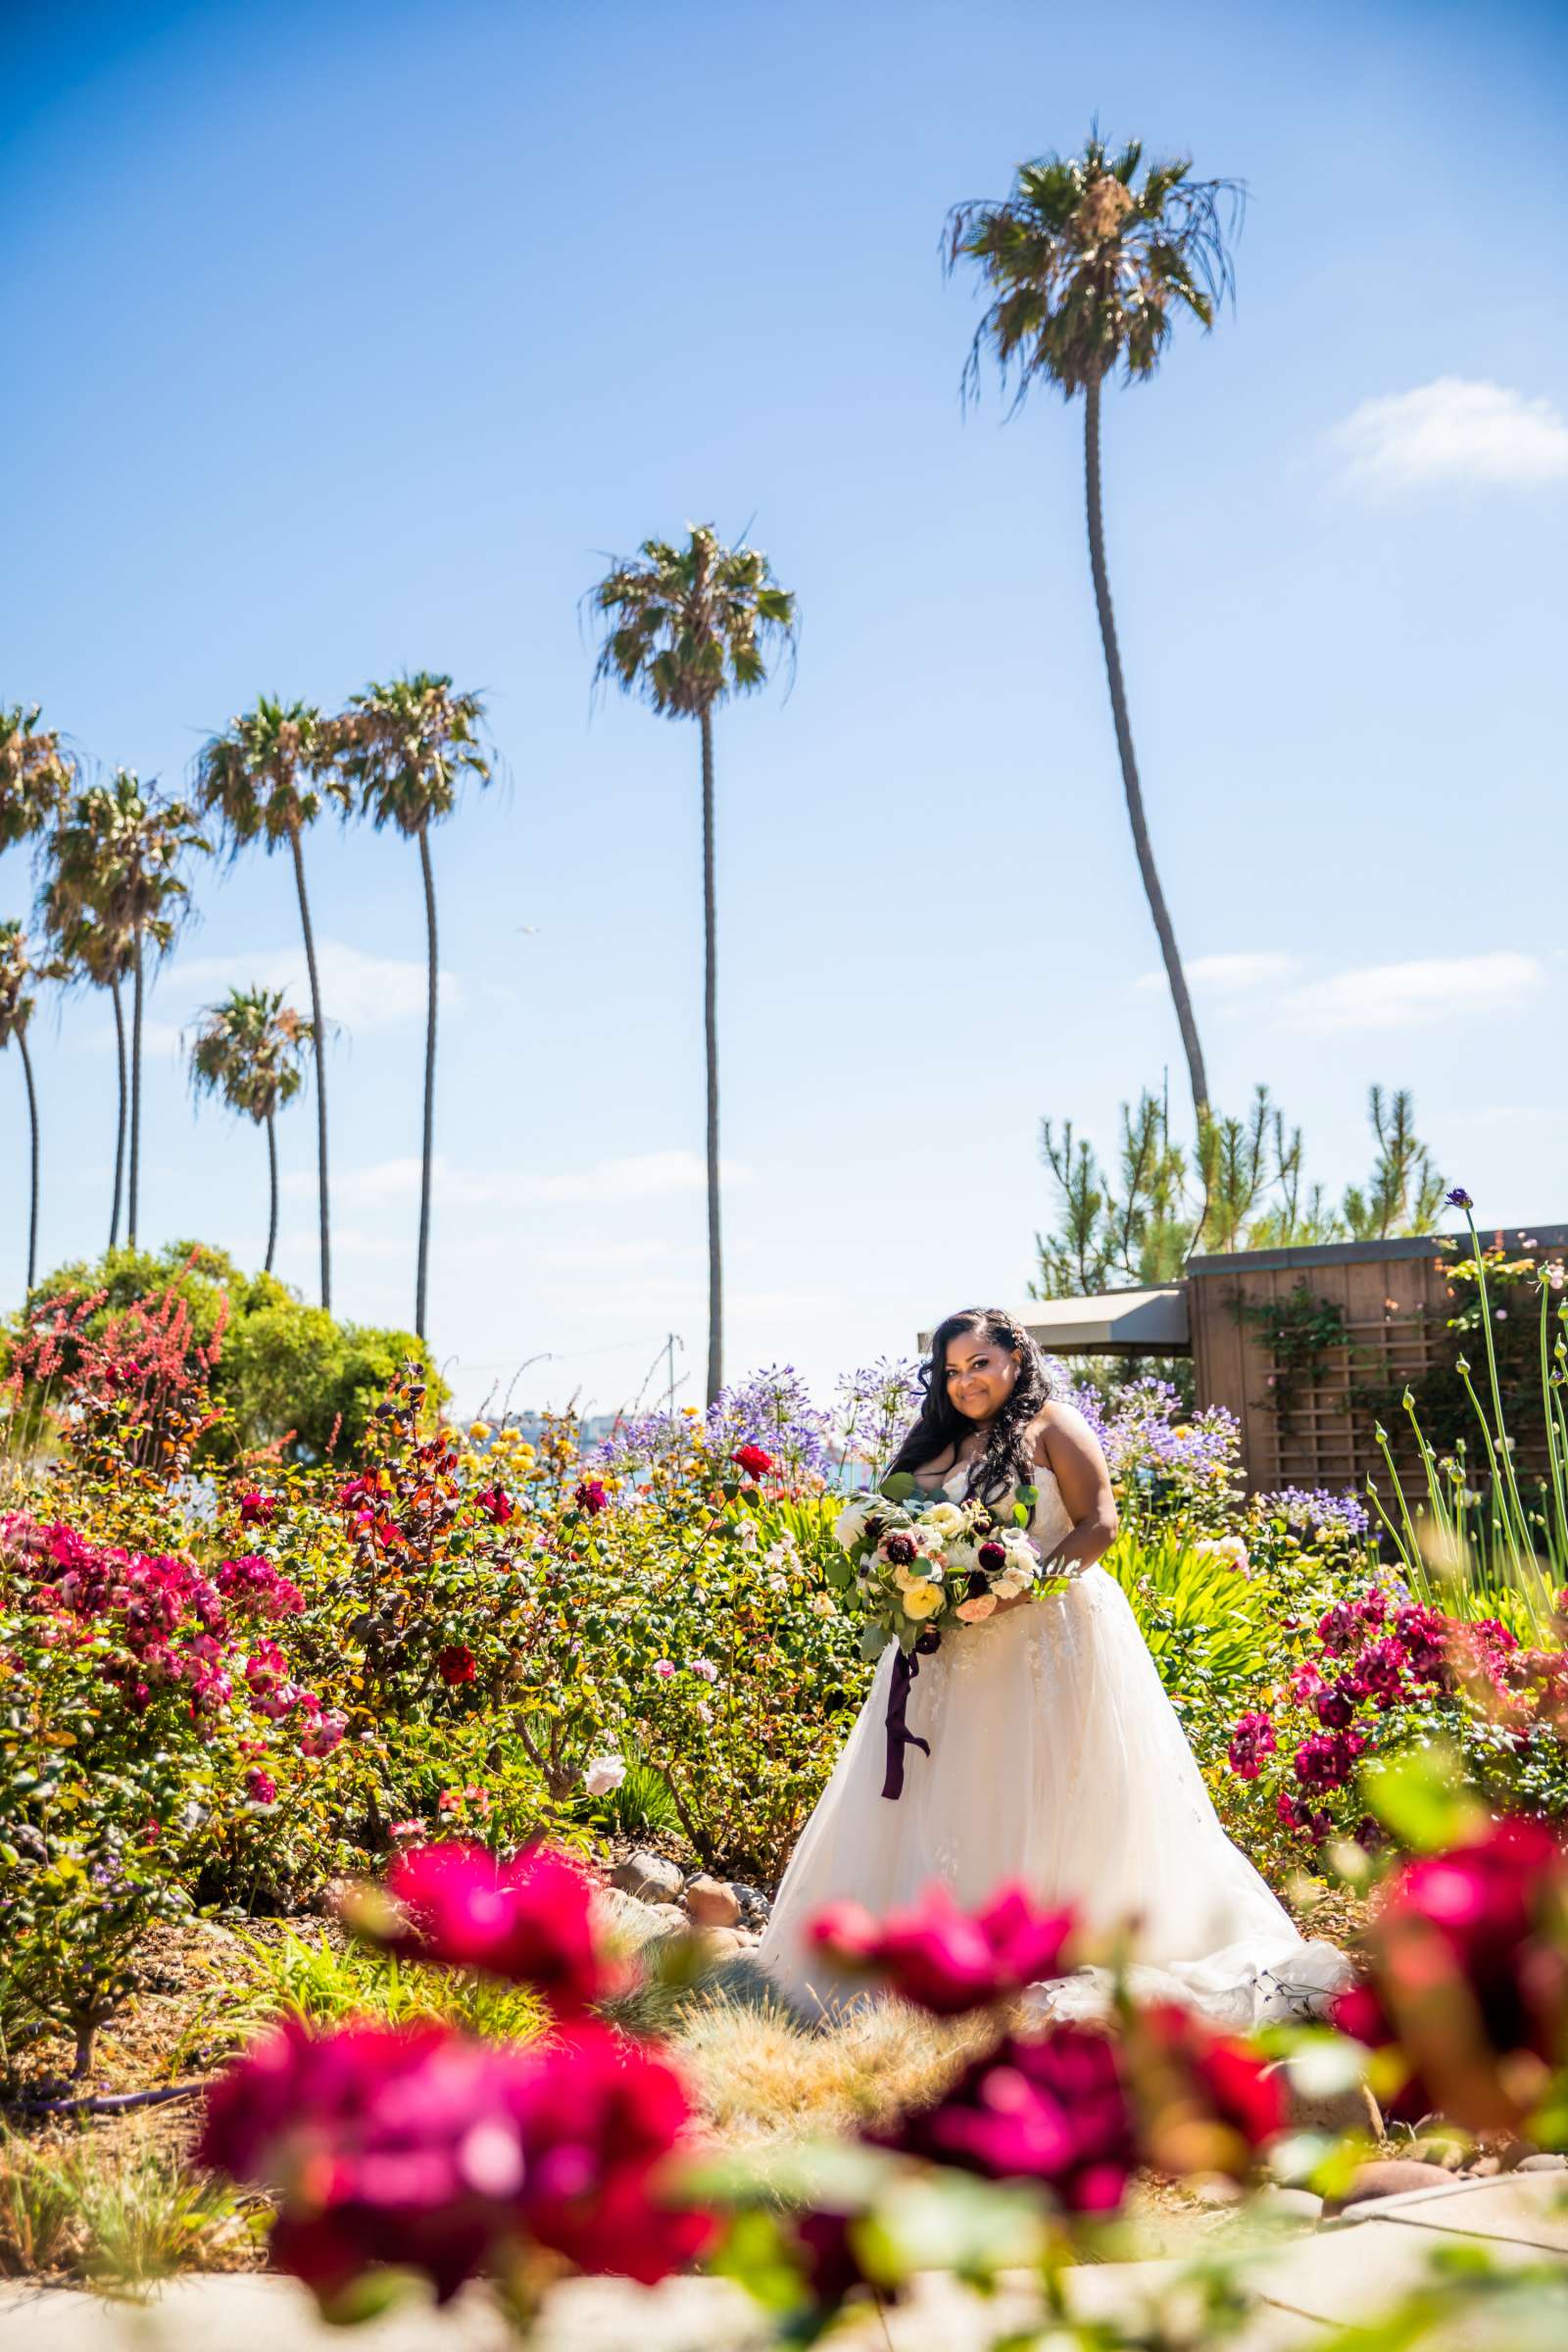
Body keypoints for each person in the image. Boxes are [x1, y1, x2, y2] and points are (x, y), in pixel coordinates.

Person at [755, 1306, 1349, 2029]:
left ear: (1015, 1359)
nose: (965, 1381)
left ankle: (1047, 1954)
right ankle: (935, 1962)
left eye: (979, 1364)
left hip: (1043, 1633)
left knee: (1043, 1787)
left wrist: (1016, 1590)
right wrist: (904, 1579)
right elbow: (891, 1527)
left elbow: (1099, 1520)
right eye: (951, 1369)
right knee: (949, 1786)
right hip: (945, 1646)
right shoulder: (934, 1439)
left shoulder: (1051, 1424)